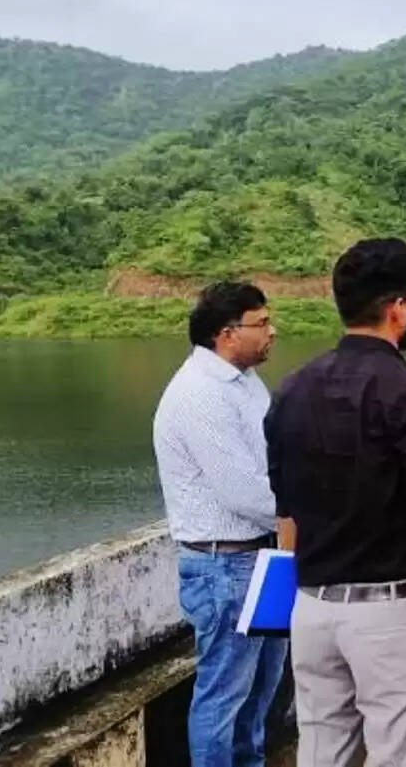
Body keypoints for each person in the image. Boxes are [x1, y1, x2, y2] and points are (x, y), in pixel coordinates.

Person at [265, 238, 406, 767]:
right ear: (396, 309)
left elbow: (287, 513)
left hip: (313, 610)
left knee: (322, 751)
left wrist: (294, 596)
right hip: (389, 616)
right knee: (399, 755)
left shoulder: (290, 391)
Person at [153, 281, 289, 767]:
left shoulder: (244, 383)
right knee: (223, 695)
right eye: (262, 324)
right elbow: (244, 492)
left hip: (264, 558)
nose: (272, 332)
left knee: (261, 689)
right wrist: (309, 517)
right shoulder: (200, 394)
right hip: (224, 567)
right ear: (227, 334)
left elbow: (274, 462)